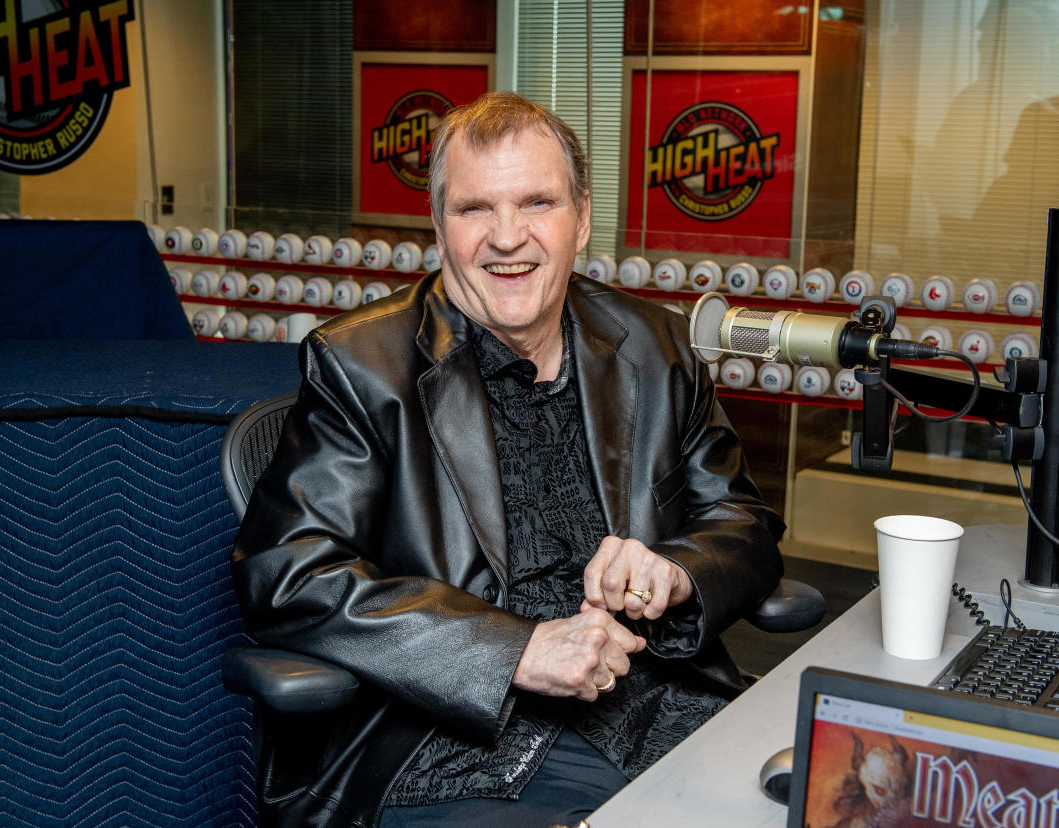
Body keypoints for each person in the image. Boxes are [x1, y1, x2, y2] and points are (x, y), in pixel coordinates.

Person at [231, 91, 785, 828]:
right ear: (439, 226)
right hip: (449, 739)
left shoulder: (655, 346)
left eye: (536, 203)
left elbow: (741, 520)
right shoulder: (360, 364)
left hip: (657, 703)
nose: (507, 237)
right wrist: (511, 651)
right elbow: (288, 573)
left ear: (581, 218)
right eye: (475, 209)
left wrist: (678, 570)